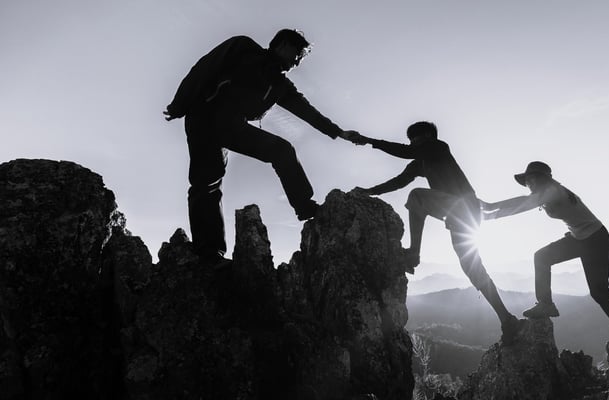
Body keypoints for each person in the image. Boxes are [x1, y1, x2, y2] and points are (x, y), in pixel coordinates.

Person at [164, 29, 357, 262]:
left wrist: (337, 132)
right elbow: (205, 67)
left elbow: (306, 111)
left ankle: (304, 206)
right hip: (203, 117)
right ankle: (208, 251)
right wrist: (179, 104)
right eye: (298, 55)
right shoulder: (243, 48)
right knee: (206, 182)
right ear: (283, 44)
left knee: (281, 151)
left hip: (230, 126)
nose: (297, 62)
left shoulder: (280, 85)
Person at [348, 122, 520, 344]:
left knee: (417, 197)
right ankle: (507, 320)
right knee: (471, 268)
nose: (413, 143)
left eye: (416, 139)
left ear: (428, 136)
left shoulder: (439, 148)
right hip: (457, 212)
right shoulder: (421, 161)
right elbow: (399, 181)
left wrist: (370, 141)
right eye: (411, 140)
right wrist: (370, 192)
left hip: (464, 207)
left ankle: (414, 253)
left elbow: (406, 152)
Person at [483, 161, 609, 360]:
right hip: (579, 238)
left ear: (542, 179)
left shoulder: (552, 190)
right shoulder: (546, 193)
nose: (529, 184)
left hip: (596, 240)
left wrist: (490, 210)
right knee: (542, 257)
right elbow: (524, 201)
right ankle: (545, 304)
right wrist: (490, 209)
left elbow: (521, 205)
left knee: (600, 292)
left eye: (531, 179)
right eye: (526, 182)